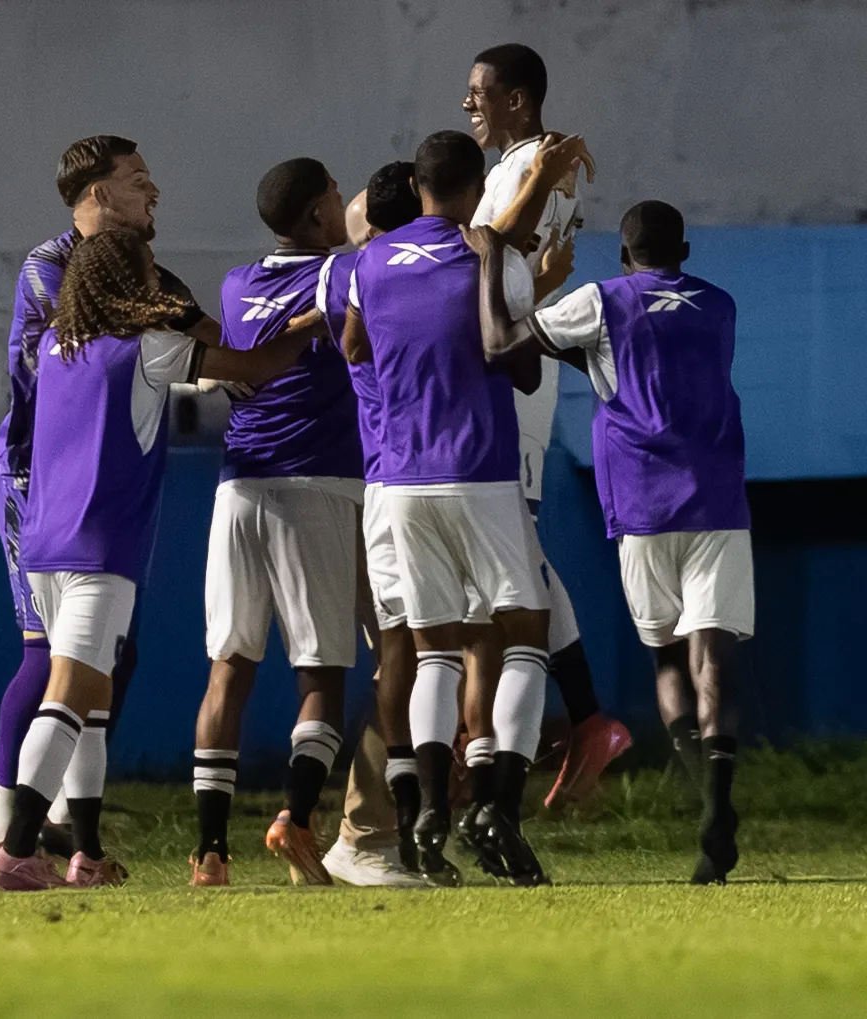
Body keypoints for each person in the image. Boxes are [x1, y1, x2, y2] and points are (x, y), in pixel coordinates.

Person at [0, 228, 324, 891]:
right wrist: (310, 323)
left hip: (46, 545)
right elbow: (250, 371)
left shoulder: (59, 344)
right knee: (72, 690)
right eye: (145, 271)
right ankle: (18, 848)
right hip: (100, 546)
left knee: (94, 696)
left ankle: (83, 851)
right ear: (126, 283)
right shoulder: (145, 349)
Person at [472, 200, 754, 884]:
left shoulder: (603, 300)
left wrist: (489, 262)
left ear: (624, 257)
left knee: (664, 660)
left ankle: (703, 797)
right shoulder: (719, 306)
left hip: (641, 501)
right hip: (716, 497)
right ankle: (720, 803)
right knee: (709, 653)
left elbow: (504, 344)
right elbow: (650, 356)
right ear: (684, 250)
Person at [342, 130, 576, 887]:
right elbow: (520, 360)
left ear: (415, 187)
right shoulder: (489, 258)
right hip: (477, 466)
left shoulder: (366, 262)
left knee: (433, 649)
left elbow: (354, 347)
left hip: (401, 477)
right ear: (477, 186)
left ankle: (431, 809)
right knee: (525, 636)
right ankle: (497, 802)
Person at [0, 135, 218, 862]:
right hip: (40, 477)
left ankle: (73, 829)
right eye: (139, 180)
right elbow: (136, 332)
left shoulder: (146, 275)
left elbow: (203, 333)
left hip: (103, 478)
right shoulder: (51, 270)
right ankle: (7, 824)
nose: (154, 194)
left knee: (112, 659)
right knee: (48, 657)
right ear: (95, 195)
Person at [464, 44, 632, 809]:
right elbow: (516, 269)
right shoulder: (539, 163)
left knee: (516, 556)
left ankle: (572, 718)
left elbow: (481, 251)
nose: (470, 106)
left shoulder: (527, 166)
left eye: (481, 94)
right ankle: (568, 720)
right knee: (508, 561)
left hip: (511, 375)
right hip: (516, 361)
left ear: (520, 102)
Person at [190, 158, 363, 888]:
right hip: (314, 484)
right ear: (321, 214)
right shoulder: (341, 276)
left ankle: (208, 853)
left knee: (228, 670)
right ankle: (295, 816)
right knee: (321, 673)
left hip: (237, 487)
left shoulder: (236, 284)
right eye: (333, 193)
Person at [315, 164, 429, 887]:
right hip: (389, 489)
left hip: (404, 484)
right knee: (406, 660)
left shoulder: (365, 275)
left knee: (421, 661)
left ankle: (391, 828)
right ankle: (365, 833)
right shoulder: (360, 276)